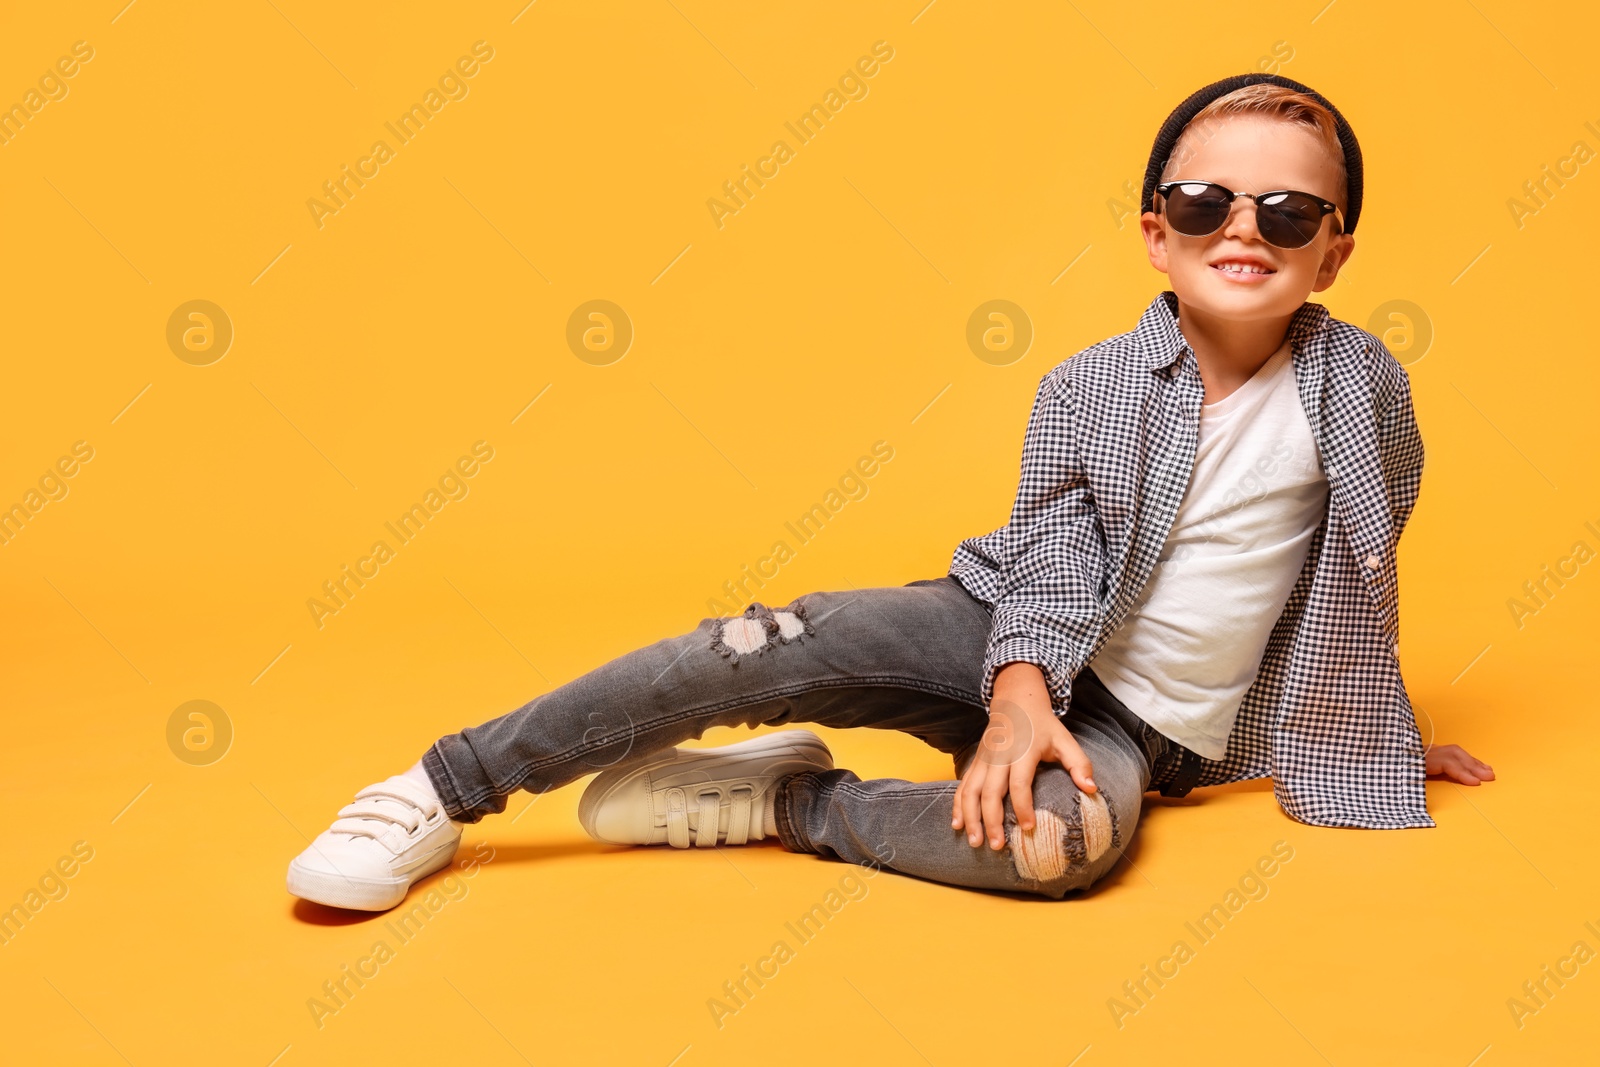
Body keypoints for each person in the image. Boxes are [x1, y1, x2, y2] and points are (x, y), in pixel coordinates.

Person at [286, 73, 1494, 911]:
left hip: (1132, 729)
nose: (1244, 226)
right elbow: (1055, 558)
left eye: (1286, 209)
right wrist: (1018, 693)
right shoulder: (1094, 386)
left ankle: (789, 803)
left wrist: (1356, 729)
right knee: (762, 642)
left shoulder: (1363, 389)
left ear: (1331, 250)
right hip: (996, 630)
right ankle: (440, 788)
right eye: (1204, 202)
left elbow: (1350, 572)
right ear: (1155, 232)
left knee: (1057, 852)